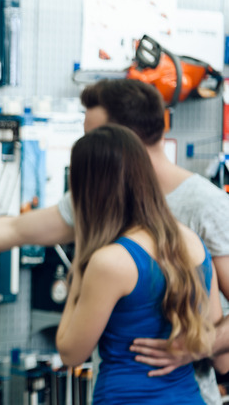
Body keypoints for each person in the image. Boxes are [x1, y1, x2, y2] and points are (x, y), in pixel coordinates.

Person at [0, 78, 229, 403]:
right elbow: (15, 230)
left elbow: (70, 350)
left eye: (92, 137)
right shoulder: (114, 208)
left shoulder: (207, 207)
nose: (86, 148)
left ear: (119, 142)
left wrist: (199, 346)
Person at [55, 123, 221, 404]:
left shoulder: (110, 261)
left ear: (87, 189)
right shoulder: (193, 243)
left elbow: (71, 352)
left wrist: (82, 261)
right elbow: (211, 331)